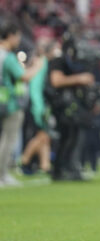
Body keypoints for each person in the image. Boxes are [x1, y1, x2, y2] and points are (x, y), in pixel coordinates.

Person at [48, 28, 97, 181]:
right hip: (59, 106)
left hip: (68, 105)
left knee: (71, 137)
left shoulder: (70, 62)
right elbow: (56, 81)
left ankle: (66, 169)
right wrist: (79, 79)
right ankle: (60, 169)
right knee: (66, 137)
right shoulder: (58, 60)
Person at [0, 19, 43, 186]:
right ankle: (2, 174)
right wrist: (37, 66)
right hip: (9, 102)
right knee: (8, 139)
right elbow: (23, 76)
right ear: (10, 36)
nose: (18, 40)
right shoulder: (7, 56)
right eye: (17, 36)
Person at [19, 40, 57, 175]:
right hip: (37, 106)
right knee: (41, 135)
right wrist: (39, 108)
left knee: (45, 136)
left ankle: (45, 165)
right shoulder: (42, 64)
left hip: (39, 105)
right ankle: (24, 161)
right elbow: (35, 88)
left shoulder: (42, 63)